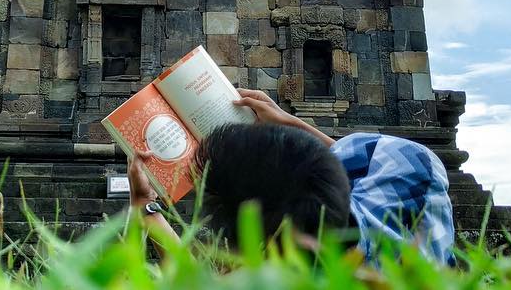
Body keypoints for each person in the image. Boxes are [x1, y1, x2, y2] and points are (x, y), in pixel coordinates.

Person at [126, 88, 455, 264]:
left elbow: (193, 280)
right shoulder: (414, 167)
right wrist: (289, 124)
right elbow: (355, 155)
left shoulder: (277, 275)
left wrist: (144, 206)